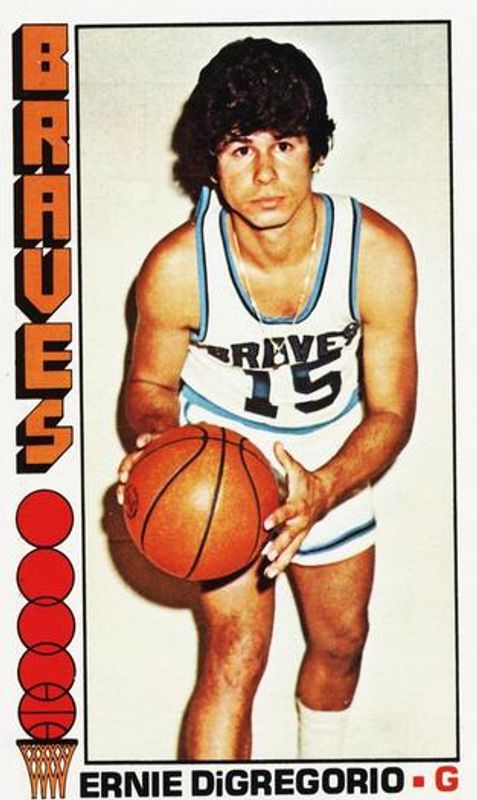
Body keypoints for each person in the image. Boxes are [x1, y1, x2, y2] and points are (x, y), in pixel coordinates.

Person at [117, 37, 417, 760]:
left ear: (315, 150)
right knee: (235, 654)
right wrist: (163, 444)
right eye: (239, 148)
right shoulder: (177, 268)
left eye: (284, 144)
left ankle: (320, 770)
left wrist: (325, 488)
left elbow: (391, 412)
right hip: (222, 457)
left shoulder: (375, 254)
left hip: (329, 456)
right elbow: (149, 387)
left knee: (342, 642)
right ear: (211, 163)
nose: (264, 173)